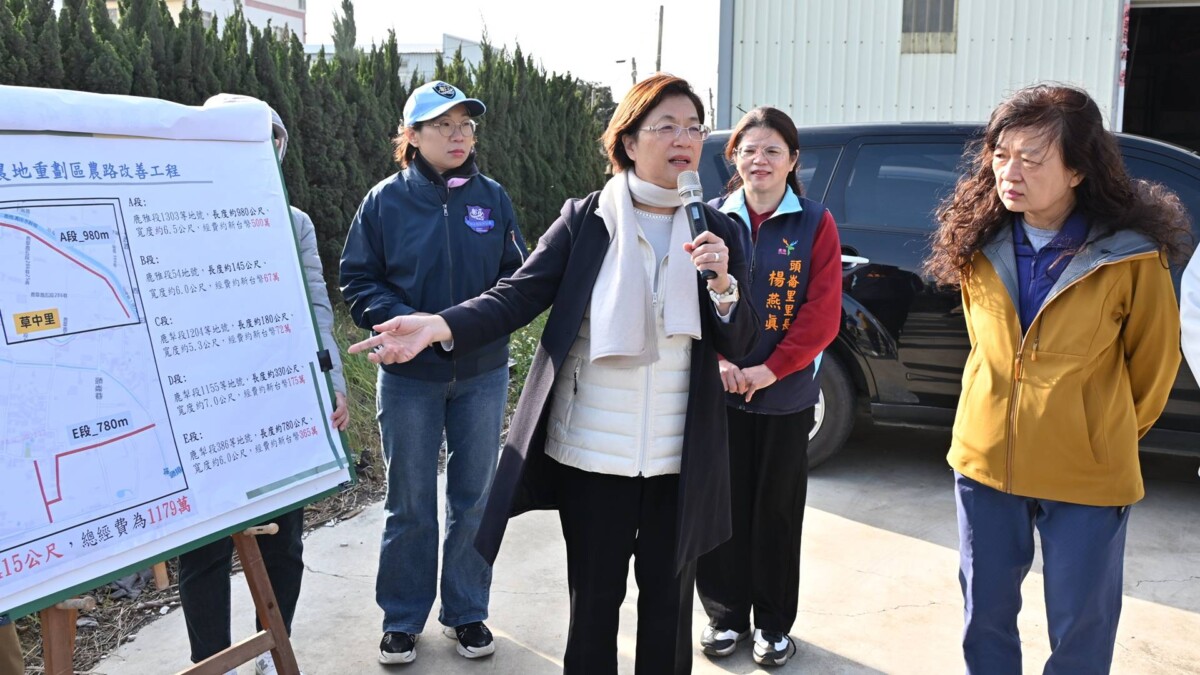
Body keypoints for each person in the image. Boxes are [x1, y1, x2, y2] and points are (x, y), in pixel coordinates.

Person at [347, 74, 758, 674]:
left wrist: (722, 285)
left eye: (694, 128)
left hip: (679, 455)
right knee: (593, 607)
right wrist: (438, 325)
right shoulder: (586, 220)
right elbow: (516, 294)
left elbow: (741, 338)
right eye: (667, 126)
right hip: (593, 454)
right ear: (628, 140)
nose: (685, 139)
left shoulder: (718, 230)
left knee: (669, 612)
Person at [924, 83, 1191, 674]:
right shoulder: (978, 243)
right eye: (1001, 155)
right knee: (984, 617)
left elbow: (1153, 366)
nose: (1009, 172)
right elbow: (985, 348)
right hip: (985, 463)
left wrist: (1099, 431)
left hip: (1087, 473)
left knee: (1081, 629)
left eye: (1032, 158)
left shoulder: (1130, 255)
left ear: (1077, 170)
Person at [338, 80, 527, 665]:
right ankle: (401, 618)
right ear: (412, 136)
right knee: (410, 501)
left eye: (465, 124)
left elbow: (516, 280)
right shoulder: (384, 201)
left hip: (482, 372)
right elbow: (358, 278)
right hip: (409, 376)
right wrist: (400, 324)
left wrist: (465, 326)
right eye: (443, 124)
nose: (458, 134)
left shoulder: (492, 198)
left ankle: (467, 611)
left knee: (474, 499)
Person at [177, 96, 350, 675]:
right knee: (203, 547)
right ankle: (213, 660)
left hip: (277, 397)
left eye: (271, 137)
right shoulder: (174, 208)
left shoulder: (293, 221)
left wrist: (331, 381)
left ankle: (272, 649)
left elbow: (315, 305)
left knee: (284, 539)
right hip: (203, 402)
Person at [695, 107, 842, 667]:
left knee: (777, 512)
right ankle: (724, 616)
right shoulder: (709, 219)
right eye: (749, 150)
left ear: (793, 160)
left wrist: (771, 370)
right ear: (733, 157)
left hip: (785, 396)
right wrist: (717, 363)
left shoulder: (815, 223)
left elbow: (821, 313)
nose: (760, 160)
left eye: (772, 151)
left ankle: (774, 624)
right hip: (721, 393)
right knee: (721, 509)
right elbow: (686, 300)